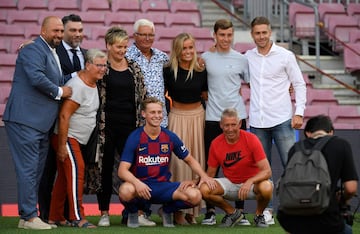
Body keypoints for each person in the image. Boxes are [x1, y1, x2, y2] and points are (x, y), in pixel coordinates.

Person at [3, 16, 72, 230]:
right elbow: (36, 77)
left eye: (62, 31)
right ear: (43, 31)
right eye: (55, 31)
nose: (59, 35)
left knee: (35, 170)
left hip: (40, 123)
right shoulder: (33, 49)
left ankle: (27, 217)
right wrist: (60, 92)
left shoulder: (49, 51)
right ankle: (30, 216)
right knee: (29, 170)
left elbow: (57, 77)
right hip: (26, 120)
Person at [117, 97, 216, 228]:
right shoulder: (135, 137)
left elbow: (190, 159)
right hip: (142, 186)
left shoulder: (169, 136)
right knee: (125, 190)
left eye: (159, 112)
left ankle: (166, 211)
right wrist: (137, 183)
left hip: (163, 187)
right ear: (143, 114)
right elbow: (122, 171)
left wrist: (203, 176)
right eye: (152, 112)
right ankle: (134, 213)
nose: (157, 116)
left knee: (195, 196)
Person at [245, 16, 307, 223]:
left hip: (282, 120)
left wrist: (299, 112)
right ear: (252, 34)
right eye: (257, 33)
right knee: (263, 171)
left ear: (270, 32)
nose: (261, 36)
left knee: (292, 166)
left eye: (264, 32)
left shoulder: (285, 56)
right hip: (257, 122)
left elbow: (299, 83)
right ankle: (267, 211)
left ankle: (297, 208)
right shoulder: (247, 57)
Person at [48, 49, 107, 228]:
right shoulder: (78, 85)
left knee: (65, 178)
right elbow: (64, 116)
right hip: (68, 138)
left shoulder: (94, 82)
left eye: (104, 65)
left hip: (78, 140)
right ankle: (77, 217)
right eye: (99, 65)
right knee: (77, 171)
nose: (103, 69)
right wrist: (62, 145)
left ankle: (55, 216)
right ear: (87, 65)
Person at [201, 18, 250, 226]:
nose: (226, 39)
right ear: (214, 35)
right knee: (211, 167)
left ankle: (240, 212)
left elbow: (253, 83)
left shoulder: (241, 59)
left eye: (229, 35)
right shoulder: (204, 58)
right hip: (213, 118)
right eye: (222, 35)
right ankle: (210, 211)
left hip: (238, 117)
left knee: (241, 167)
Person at [96, 26, 147, 227]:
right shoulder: (101, 67)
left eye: (125, 47)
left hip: (131, 127)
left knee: (133, 170)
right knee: (105, 170)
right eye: (118, 47)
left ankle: (133, 212)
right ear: (108, 46)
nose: (122, 50)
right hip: (106, 127)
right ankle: (104, 213)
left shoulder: (134, 67)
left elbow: (142, 96)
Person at [38, 13, 86, 223]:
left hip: (78, 125)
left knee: (69, 171)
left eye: (80, 30)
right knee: (49, 170)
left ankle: (65, 214)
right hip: (54, 121)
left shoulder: (86, 54)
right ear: (62, 31)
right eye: (72, 30)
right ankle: (45, 215)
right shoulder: (50, 52)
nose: (77, 34)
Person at [277, 115, 358, 234]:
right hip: (327, 219)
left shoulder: (295, 148)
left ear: (307, 133)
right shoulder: (341, 145)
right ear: (331, 132)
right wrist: (342, 199)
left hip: (292, 219)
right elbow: (351, 189)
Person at [200, 108, 273, 228]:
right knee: (204, 189)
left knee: (267, 187)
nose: (230, 129)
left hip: (252, 186)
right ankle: (232, 213)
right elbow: (210, 174)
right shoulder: (216, 143)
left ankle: (259, 215)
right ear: (221, 125)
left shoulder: (251, 139)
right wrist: (197, 181)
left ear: (239, 124)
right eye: (226, 125)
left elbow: (267, 171)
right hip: (231, 184)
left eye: (233, 125)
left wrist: (250, 181)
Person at [164, 32, 208, 225]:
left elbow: (206, 94)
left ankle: (193, 211)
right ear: (177, 50)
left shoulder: (201, 69)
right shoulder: (167, 70)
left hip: (199, 118)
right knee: (178, 165)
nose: (188, 51)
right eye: (184, 48)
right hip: (176, 118)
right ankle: (177, 210)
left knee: (197, 161)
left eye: (191, 47)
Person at [126, 18, 169, 128]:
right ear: (135, 35)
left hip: (159, 118)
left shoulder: (162, 57)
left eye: (151, 35)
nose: (147, 38)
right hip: (136, 118)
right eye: (143, 35)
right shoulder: (127, 57)